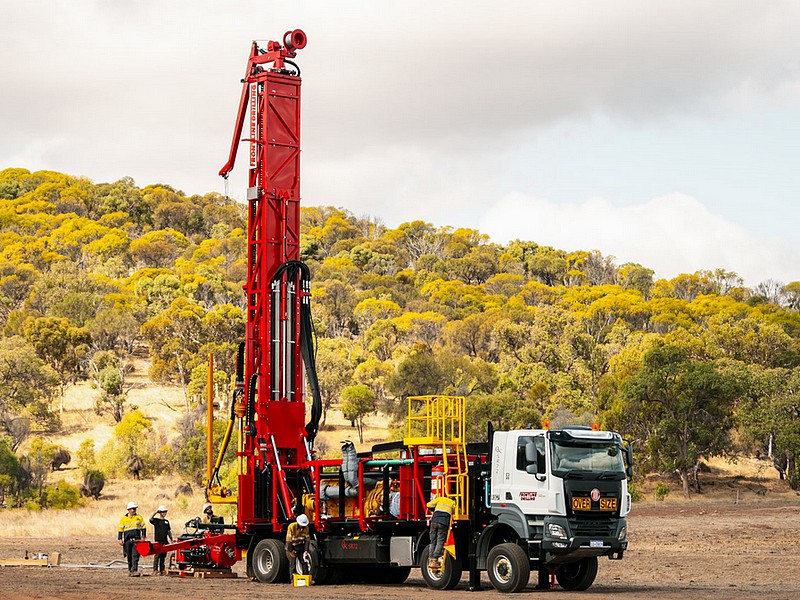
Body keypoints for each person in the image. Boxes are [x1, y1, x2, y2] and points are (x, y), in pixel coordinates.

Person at [426, 494, 456, 569]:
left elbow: (428, 504)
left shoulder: (440, 499)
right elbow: (454, 512)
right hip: (443, 523)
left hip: (434, 521)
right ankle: (435, 559)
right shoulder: (452, 503)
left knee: (433, 541)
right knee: (440, 541)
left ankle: (430, 559)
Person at [118, 501, 146, 576]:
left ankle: (134, 570)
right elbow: (120, 529)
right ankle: (130, 570)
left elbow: (143, 527)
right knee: (129, 556)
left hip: (136, 540)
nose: (133, 510)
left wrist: (143, 536)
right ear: (128, 510)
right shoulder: (123, 519)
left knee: (135, 556)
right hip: (127, 541)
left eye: (134, 509)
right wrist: (120, 539)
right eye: (132, 509)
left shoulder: (139, 517)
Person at [149, 505, 173, 575]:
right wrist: (155, 512)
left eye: (165, 512)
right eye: (163, 512)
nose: (164, 513)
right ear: (160, 512)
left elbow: (168, 531)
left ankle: (162, 569)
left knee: (163, 556)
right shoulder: (156, 521)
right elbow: (150, 519)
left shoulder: (166, 522)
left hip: (165, 541)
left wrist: (171, 539)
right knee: (157, 556)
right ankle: (155, 570)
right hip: (158, 541)